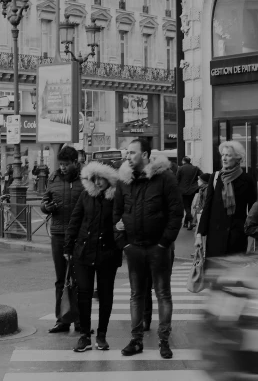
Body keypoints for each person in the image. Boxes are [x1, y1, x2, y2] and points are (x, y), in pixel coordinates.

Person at [113, 138, 183, 359]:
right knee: (136, 295)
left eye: (132, 152)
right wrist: (123, 243)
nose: (127, 156)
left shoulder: (165, 178)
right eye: (126, 152)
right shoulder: (123, 181)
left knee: (163, 294)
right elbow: (115, 214)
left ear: (145, 155)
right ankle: (136, 341)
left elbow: (176, 213)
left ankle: (164, 340)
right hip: (134, 248)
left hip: (159, 248)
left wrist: (164, 243)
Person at [64, 161, 122, 352]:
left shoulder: (116, 198)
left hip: (108, 252)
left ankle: (102, 335)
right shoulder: (85, 195)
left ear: (109, 179)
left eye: (101, 178)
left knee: (106, 295)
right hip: (83, 251)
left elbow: (122, 222)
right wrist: (68, 245)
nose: (97, 182)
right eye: (94, 178)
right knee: (84, 293)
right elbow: (75, 219)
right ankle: (85, 336)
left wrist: (121, 241)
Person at [41, 145, 83, 333]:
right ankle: (62, 320)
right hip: (58, 234)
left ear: (75, 162)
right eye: (61, 164)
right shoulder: (53, 178)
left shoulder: (85, 179)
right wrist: (46, 207)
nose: (63, 167)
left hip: (79, 236)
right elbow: (44, 201)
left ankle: (81, 321)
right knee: (61, 279)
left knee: (80, 279)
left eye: (66, 164)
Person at [195, 141, 258, 257]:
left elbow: (253, 210)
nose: (224, 158)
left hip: (237, 237)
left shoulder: (247, 180)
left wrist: (253, 233)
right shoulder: (215, 177)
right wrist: (199, 234)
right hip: (215, 237)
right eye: (222, 155)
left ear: (237, 158)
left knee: (234, 273)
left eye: (228, 155)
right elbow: (207, 207)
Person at [176, 157, 200, 230]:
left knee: (186, 206)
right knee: (188, 205)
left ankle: (192, 221)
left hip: (182, 190)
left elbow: (177, 179)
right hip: (192, 190)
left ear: (183, 161)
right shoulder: (196, 168)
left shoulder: (180, 168)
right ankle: (186, 224)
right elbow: (202, 175)